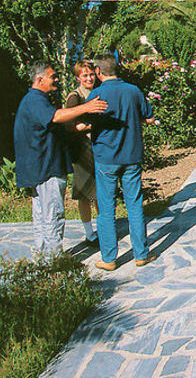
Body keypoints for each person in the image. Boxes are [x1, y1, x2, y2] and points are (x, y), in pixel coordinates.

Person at [13, 61, 107, 255]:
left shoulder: (35, 99)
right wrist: (86, 107)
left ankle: (43, 258)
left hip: (40, 168)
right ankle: (54, 261)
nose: (56, 79)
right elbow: (55, 116)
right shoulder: (35, 100)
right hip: (46, 169)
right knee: (52, 217)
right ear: (39, 80)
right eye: (53, 77)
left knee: (42, 217)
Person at [87, 54, 157, 271]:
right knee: (134, 204)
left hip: (106, 158)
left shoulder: (96, 94)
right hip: (131, 155)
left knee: (107, 208)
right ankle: (141, 254)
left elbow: (87, 121)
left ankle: (109, 258)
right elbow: (149, 117)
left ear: (98, 71)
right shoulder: (133, 91)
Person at [65, 60, 100, 246]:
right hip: (83, 150)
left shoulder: (98, 92)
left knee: (101, 192)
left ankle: (104, 228)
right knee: (85, 194)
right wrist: (89, 126)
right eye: (85, 75)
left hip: (99, 148)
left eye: (91, 74)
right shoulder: (75, 97)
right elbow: (69, 124)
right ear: (78, 77)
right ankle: (89, 233)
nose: (89, 78)